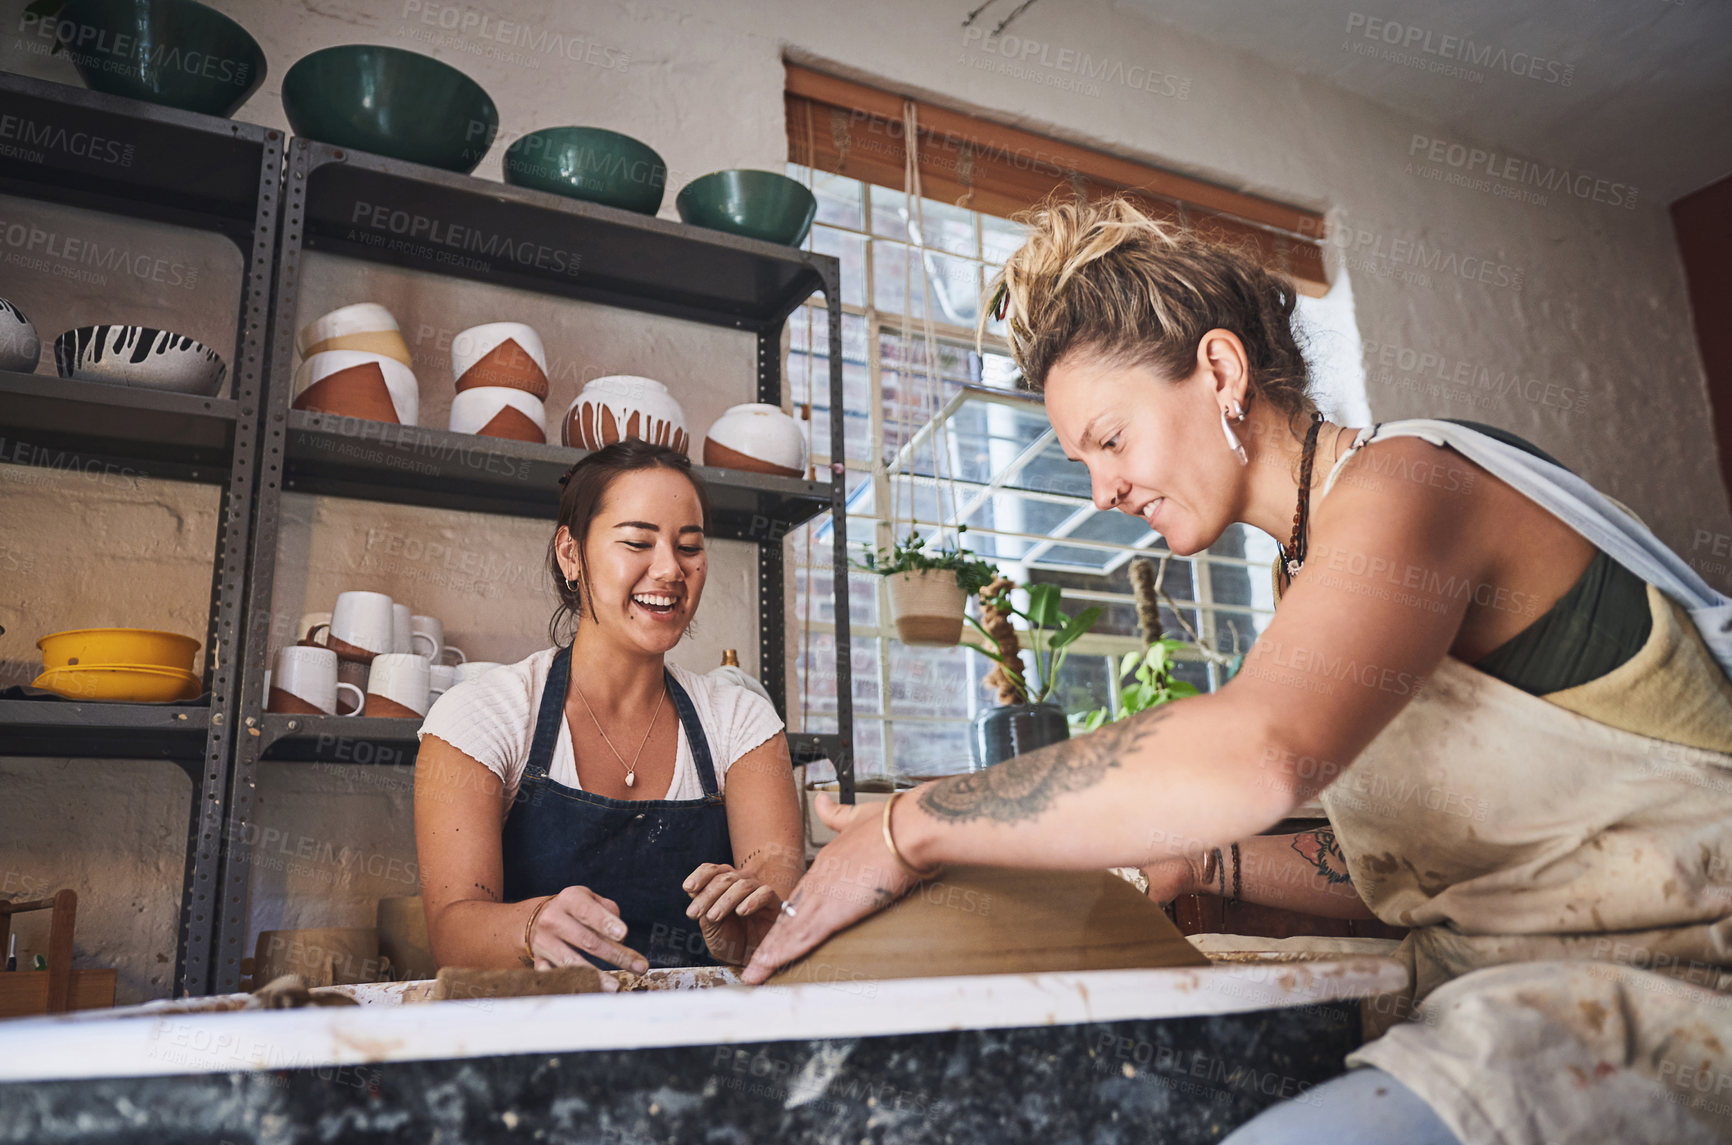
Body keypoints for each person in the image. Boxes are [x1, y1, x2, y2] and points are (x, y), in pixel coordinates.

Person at [741, 198, 1732, 1145]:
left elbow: (1261, 753)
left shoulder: (1412, 484)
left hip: (1675, 999)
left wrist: (912, 826)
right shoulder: (1315, 565)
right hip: (1504, 997)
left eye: (1110, 438)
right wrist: (1197, 862)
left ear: (1219, 370)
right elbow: (1461, 864)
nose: (1101, 490)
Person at [415, 439, 803, 976]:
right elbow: (452, 937)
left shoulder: (742, 723)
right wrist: (531, 926)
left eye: (689, 547)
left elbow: (779, 909)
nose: (670, 569)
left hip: (706, 1039)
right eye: (638, 542)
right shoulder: (482, 717)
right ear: (570, 554)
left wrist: (758, 923)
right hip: (538, 1045)